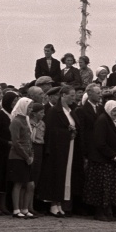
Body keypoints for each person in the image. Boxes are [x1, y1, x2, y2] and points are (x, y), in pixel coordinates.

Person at [36, 84, 78, 217]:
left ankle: (59, 203)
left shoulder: (70, 111)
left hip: (69, 147)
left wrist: (74, 132)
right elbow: (51, 131)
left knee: (65, 175)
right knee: (57, 175)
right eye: (71, 96)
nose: (74, 98)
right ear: (63, 96)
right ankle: (53, 204)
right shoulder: (55, 111)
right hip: (57, 149)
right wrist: (68, 132)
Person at [83, 100, 116, 221]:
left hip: (110, 161)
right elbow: (100, 142)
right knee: (101, 188)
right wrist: (113, 155)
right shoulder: (102, 120)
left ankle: (108, 211)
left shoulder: (112, 121)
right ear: (108, 110)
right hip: (102, 160)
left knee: (109, 187)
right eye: (114, 111)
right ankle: (99, 212)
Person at [0, 90, 18, 215]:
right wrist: (6, 142)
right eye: (13, 101)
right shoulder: (0, 115)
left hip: (9, 152)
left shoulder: (13, 115)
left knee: (6, 177)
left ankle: (3, 204)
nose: (15, 103)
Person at [8, 97, 35, 218]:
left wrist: (31, 155)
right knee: (18, 183)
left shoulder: (26, 120)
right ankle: (16, 209)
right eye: (29, 107)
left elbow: (29, 140)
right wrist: (26, 156)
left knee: (27, 183)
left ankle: (24, 208)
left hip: (26, 156)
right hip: (17, 156)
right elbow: (16, 141)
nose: (30, 109)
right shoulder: (16, 121)